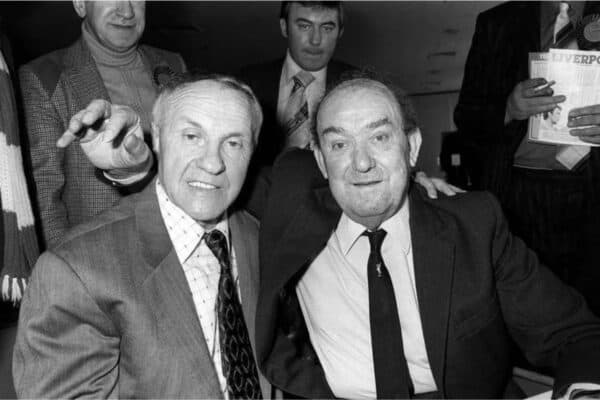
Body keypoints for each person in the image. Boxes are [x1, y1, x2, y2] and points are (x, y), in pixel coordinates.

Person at [254, 76, 600, 398]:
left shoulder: (473, 226)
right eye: (340, 144)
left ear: (412, 146)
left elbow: (576, 335)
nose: (361, 162)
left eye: (380, 137)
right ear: (320, 160)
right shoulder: (291, 204)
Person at [13, 76, 269, 398]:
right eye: (192, 136)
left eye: (233, 143)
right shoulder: (77, 270)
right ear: (157, 138)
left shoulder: (259, 239)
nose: (213, 162)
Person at [454, 1, 600, 315]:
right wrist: (507, 109)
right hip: (517, 199)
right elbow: (466, 117)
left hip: (593, 193)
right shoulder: (496, 23)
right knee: (526, 312)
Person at [19, 0, 186, 249]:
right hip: (105, 259)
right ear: (80, 5)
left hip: (184, 244)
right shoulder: (44, 77)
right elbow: (44, 201)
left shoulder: (174, 65)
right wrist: (67, 273)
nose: (127, 11)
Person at [239, 1, 355, 168]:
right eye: (304, 26)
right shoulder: (247, 83)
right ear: (284, 27)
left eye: (327, 28)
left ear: (340, 32)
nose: (316, 40)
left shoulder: (358, 86)